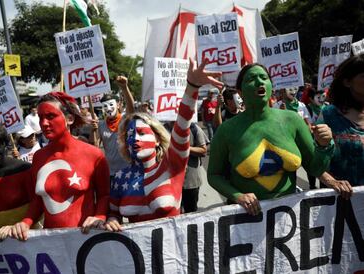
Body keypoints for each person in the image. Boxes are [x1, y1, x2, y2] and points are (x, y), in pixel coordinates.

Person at [105, 59, 223, 231]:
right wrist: (111, 220)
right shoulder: (120, 178)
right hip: (138, 254)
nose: (134, 139)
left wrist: (192, 87)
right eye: (129, 135)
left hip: (173, 253)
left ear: (158, 138)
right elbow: (113, 214)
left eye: (142, 133)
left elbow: (182, 126)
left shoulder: (171, 165)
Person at [207, 63, 336, 216]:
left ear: (270, 86)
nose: (259, 82)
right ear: (240, 93)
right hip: (247, 217)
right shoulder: (226, 130)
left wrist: (324, 145)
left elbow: (315, 168)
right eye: (251, 79)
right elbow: (214, 175)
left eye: (264, 78)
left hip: (289, 215)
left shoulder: (292, 120)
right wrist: (238, 196)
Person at [10, 92, 110, 241]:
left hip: (86, 239)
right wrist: (26, 222)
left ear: (69, 119)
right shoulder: (38, 157)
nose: (43, 123)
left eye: (50, 117)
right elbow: (38, 200)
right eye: (41, 118)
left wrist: (99, 216)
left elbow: (104, 195)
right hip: (52, 244)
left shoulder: (94, 154)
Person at [317, 54, 364, 191]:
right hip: (343, 203)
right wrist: (333, 182)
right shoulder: (329, 115)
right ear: (347, 82)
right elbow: (314, 163)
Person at [90, 76, 135, 177]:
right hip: (111, 173)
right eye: (105, 106)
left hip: (128, 170)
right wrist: (93, 130)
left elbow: (131, 109)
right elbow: (95, 146)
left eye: (111, 105)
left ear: (118, 105)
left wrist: (124, 88)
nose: (108, 108)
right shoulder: (100, 125)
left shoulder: (124, 120)